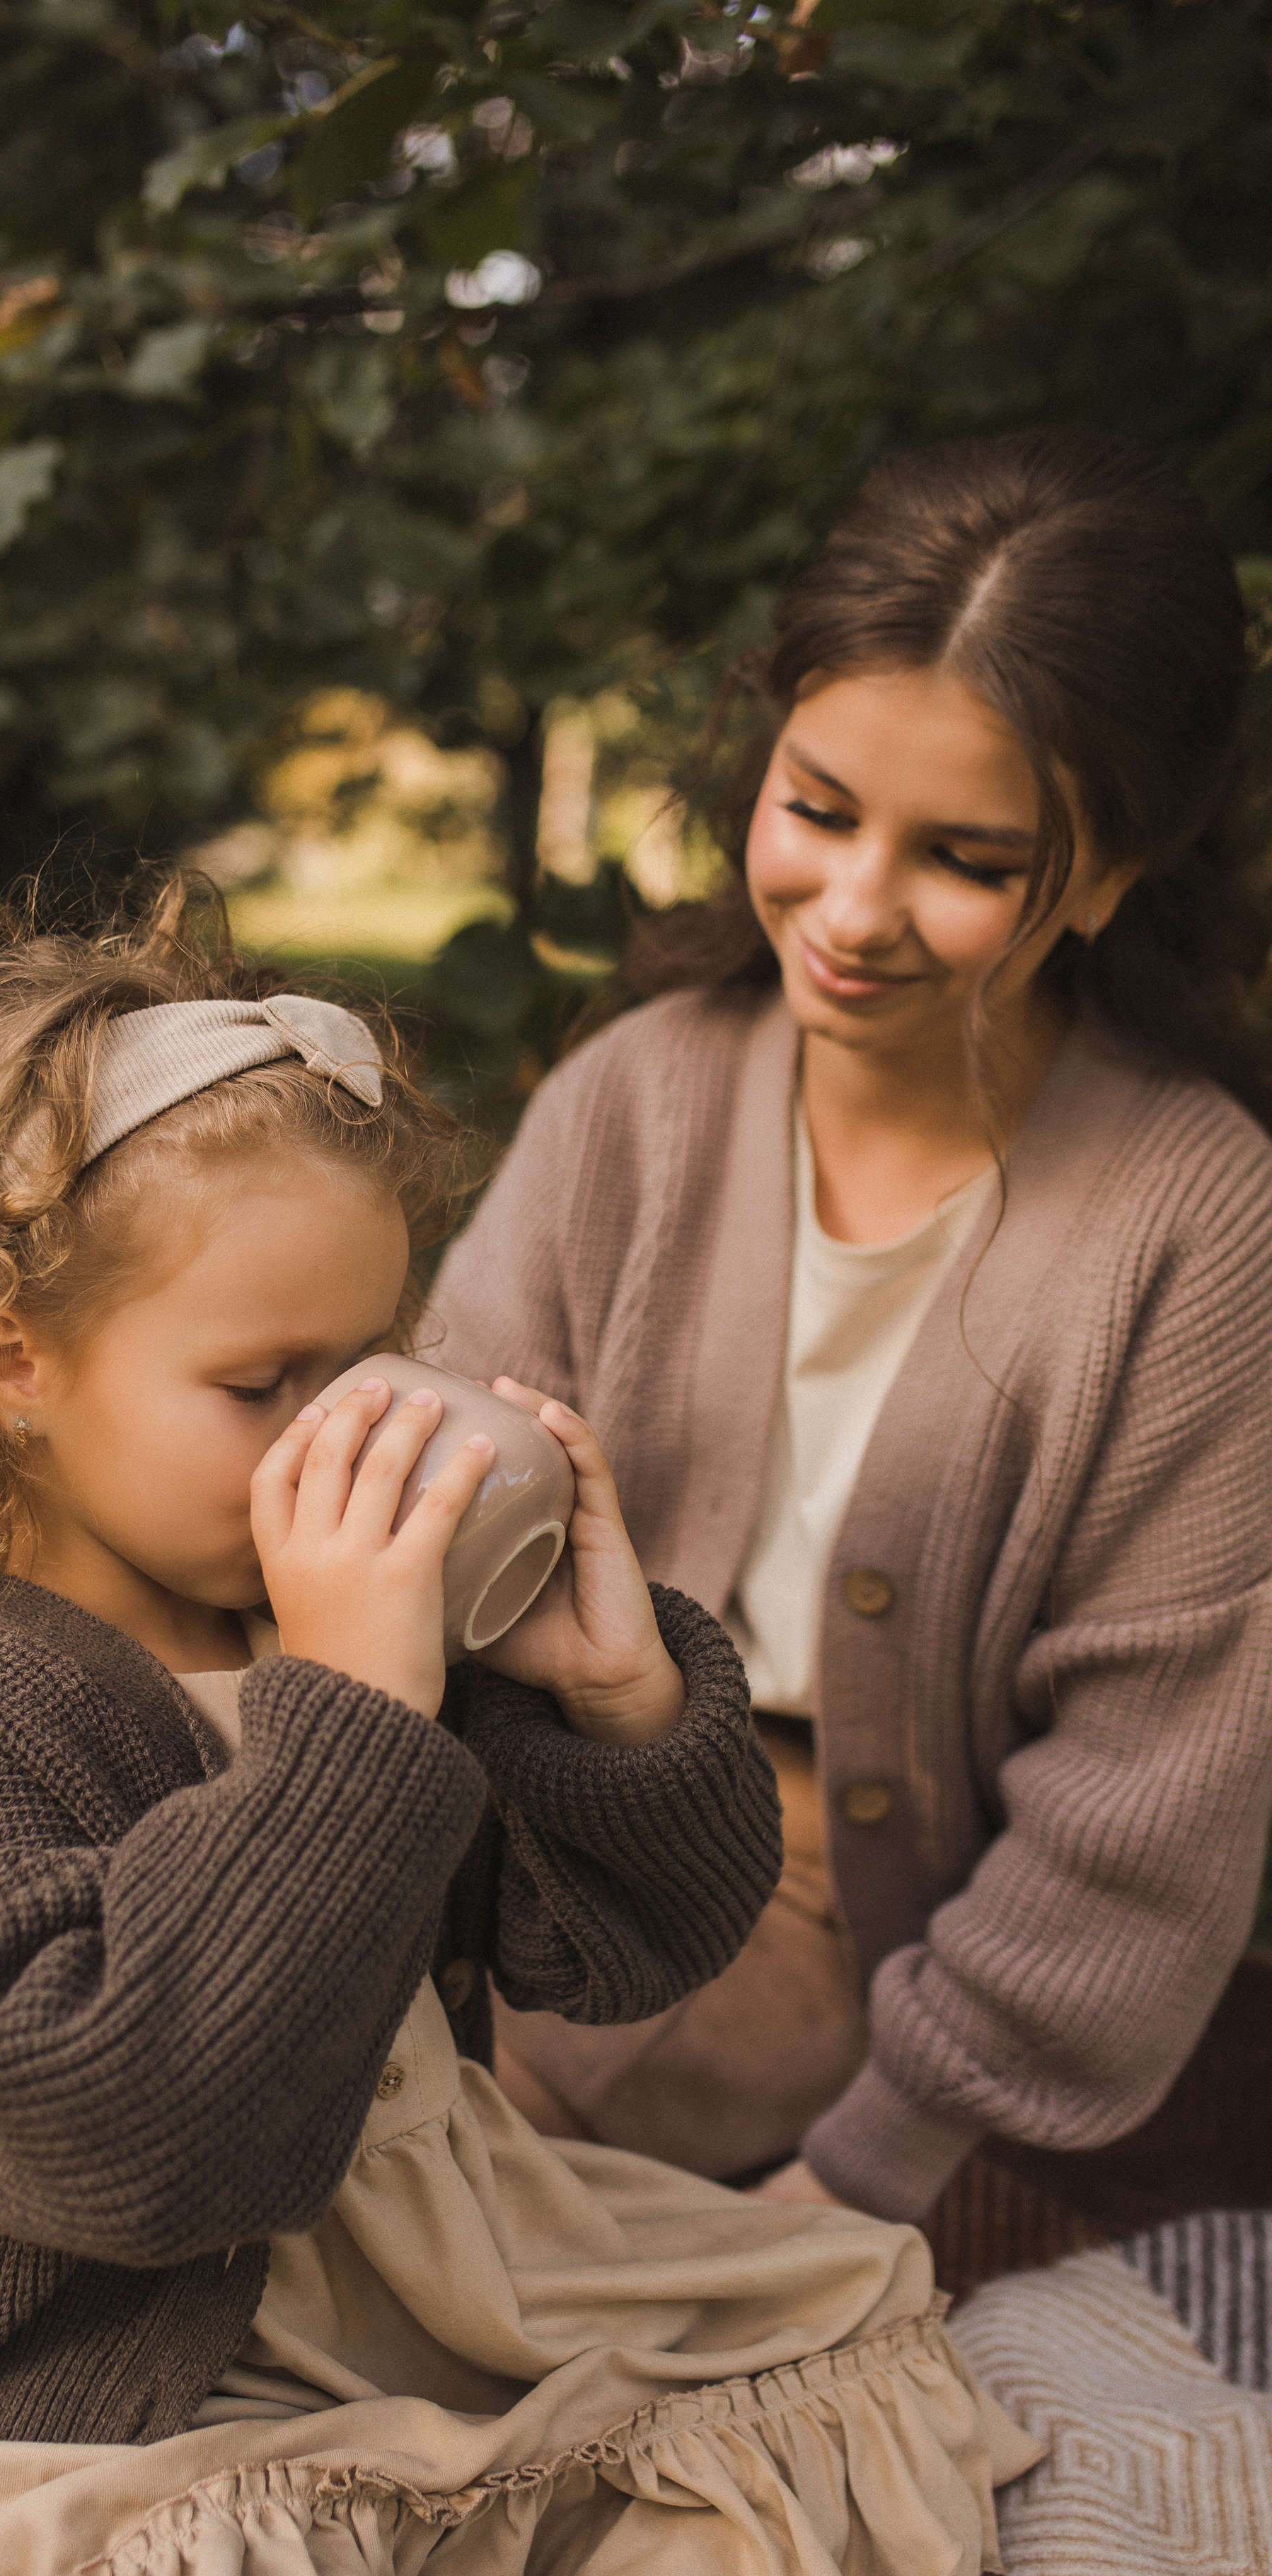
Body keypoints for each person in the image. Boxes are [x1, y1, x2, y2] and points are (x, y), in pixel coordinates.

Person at [0, 887, 1035, 2576]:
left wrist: (614, 1698)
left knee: (855, 2338)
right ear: (14, 1367)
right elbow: (143, 2147)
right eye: (256, 1384)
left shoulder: (343, 1610)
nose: (329, 1437)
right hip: (136, 2350)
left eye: (362, 1367)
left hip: (442, 2256)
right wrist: (357, 1704)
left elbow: (624, 1957)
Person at [428, 428, 1272, 2229]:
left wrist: (878, 2177)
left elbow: (1150, 1797)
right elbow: (444, 1473)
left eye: (965, 858)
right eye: (815, 810)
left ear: (1115, 872)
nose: (856, 910)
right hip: (531, 1803)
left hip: (851, 1909)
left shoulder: (1188, 1227)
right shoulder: (635, 1100)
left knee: (414, 2159)